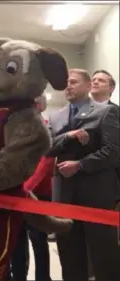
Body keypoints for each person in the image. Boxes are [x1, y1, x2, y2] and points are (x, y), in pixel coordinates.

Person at [48, 68, 120, 281]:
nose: (68, 86)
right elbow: (48, 147)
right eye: (66, 83)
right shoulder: (56, 116)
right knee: (69, 256)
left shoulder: (106, 112)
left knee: (103, 256)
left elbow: (113, 152)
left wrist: (80, 164)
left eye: (73, 82)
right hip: (64, 196)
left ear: (88, 87)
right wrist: (69, 136)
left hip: (96, 196)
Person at [8, 95, 54, 281]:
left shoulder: (47, 128)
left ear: (41, 106)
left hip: (38, 195)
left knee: (39, 241)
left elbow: (46, 162)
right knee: (17, 243)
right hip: (15, 195)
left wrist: (26, 189)